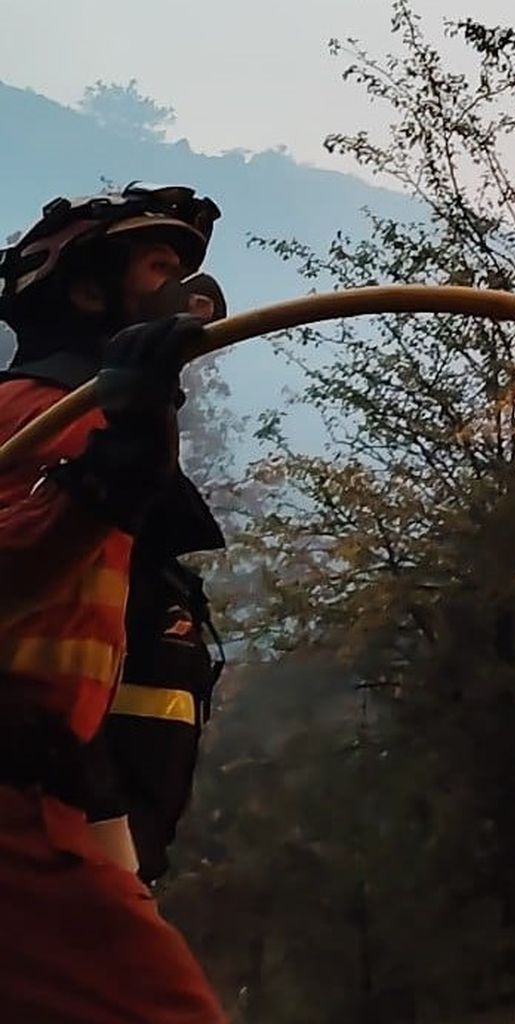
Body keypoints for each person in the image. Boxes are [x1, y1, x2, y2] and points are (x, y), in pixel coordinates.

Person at [0, 182, 229, 1022]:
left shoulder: (82, 426)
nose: (184, 296)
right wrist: (106, 476)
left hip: (58, 798)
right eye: (159, 266)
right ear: (88, 290)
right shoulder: (41, 418)